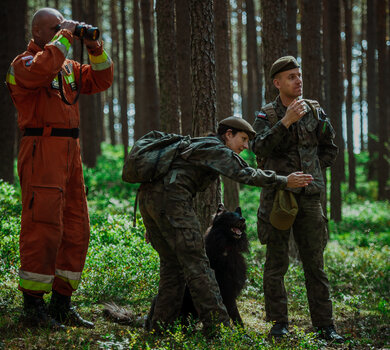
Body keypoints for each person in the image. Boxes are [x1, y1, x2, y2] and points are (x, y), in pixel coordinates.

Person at [138, 116, 313, 336]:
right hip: (170, 204)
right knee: (198, 266)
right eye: (243, 139)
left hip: (152, 202)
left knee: (172, 268)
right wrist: (284, 180)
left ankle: (159, 329)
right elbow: (246, 174)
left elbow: (173, 180)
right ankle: (219, 329)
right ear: (228, 135)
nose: (246, 146)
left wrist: (157, 221)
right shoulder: (217, 149)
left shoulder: (199, 145)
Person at [6, 8, 113, 329]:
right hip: (41, 149)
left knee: (76, 226)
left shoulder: (67, 66)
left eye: (62, 27)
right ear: (38, 32)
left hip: (70, 152)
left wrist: (95, 47)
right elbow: (40, 72)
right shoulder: (22, 64)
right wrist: (65, 35)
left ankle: (61, 305)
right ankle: (33, 309)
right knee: (43, 225)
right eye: (54, 28)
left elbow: (102, 79)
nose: (62, 32)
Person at [251, 56, 344, 342]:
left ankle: (325, 326)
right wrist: (286, 122)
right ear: (277, 83)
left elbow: (330, 149)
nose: (298, 80)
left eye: (299, 75)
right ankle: (279, 323)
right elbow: (258, 148)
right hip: (279, 197)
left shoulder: (316, 111)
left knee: (315, 263)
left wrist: (313, 172)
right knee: (276, 263)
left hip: (310, 199)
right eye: (291, 76)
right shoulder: (266, 115)